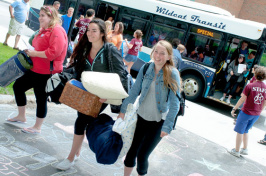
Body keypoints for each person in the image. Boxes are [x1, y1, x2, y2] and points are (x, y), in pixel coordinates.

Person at [55, 18, 127, 170]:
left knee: (81, 121)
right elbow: (77, 69)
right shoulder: (85, 48)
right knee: (82, 121)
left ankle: (70, 157)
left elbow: (120, 74)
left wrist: (110, 96)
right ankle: (77, 152)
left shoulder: (109, 49)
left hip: (102, 96)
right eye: (88, 30)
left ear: (102, 33)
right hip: (85, 93)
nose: (90, 33)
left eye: (94, 30)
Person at [117, 40, 181, 176]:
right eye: (156, 52)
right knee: (131, 152)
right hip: (140, 117)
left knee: (142, 156)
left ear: (169, 56)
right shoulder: (147, 68)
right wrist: (122, 111)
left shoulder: (172, 74)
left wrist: (167, 126)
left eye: (162, 53)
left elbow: (175, 104)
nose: (158, 56)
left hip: (158, 123)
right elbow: (134, 91)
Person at [6, 6, 67, 134]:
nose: (39, 18)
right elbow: (37, 44)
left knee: (41, 98)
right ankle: (21, 116)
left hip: (46, 72)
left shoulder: (57, 31)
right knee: (18, 86)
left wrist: (34, 53)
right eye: (39, 15)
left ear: (51, 17)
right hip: (35, 69)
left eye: (43, 15)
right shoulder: (45, 29)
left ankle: (37, 127)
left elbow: (53, 53)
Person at [229, 66, 266, 157]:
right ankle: (245, 149)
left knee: (240, 132)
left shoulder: (250, 86)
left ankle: (236, 151)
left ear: (256, 74)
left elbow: (242, 99)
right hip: (256, 114)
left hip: (246, 112)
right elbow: (264, 101)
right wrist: (260, 110)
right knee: (246, 130)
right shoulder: (265, 87)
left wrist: (234, 109)